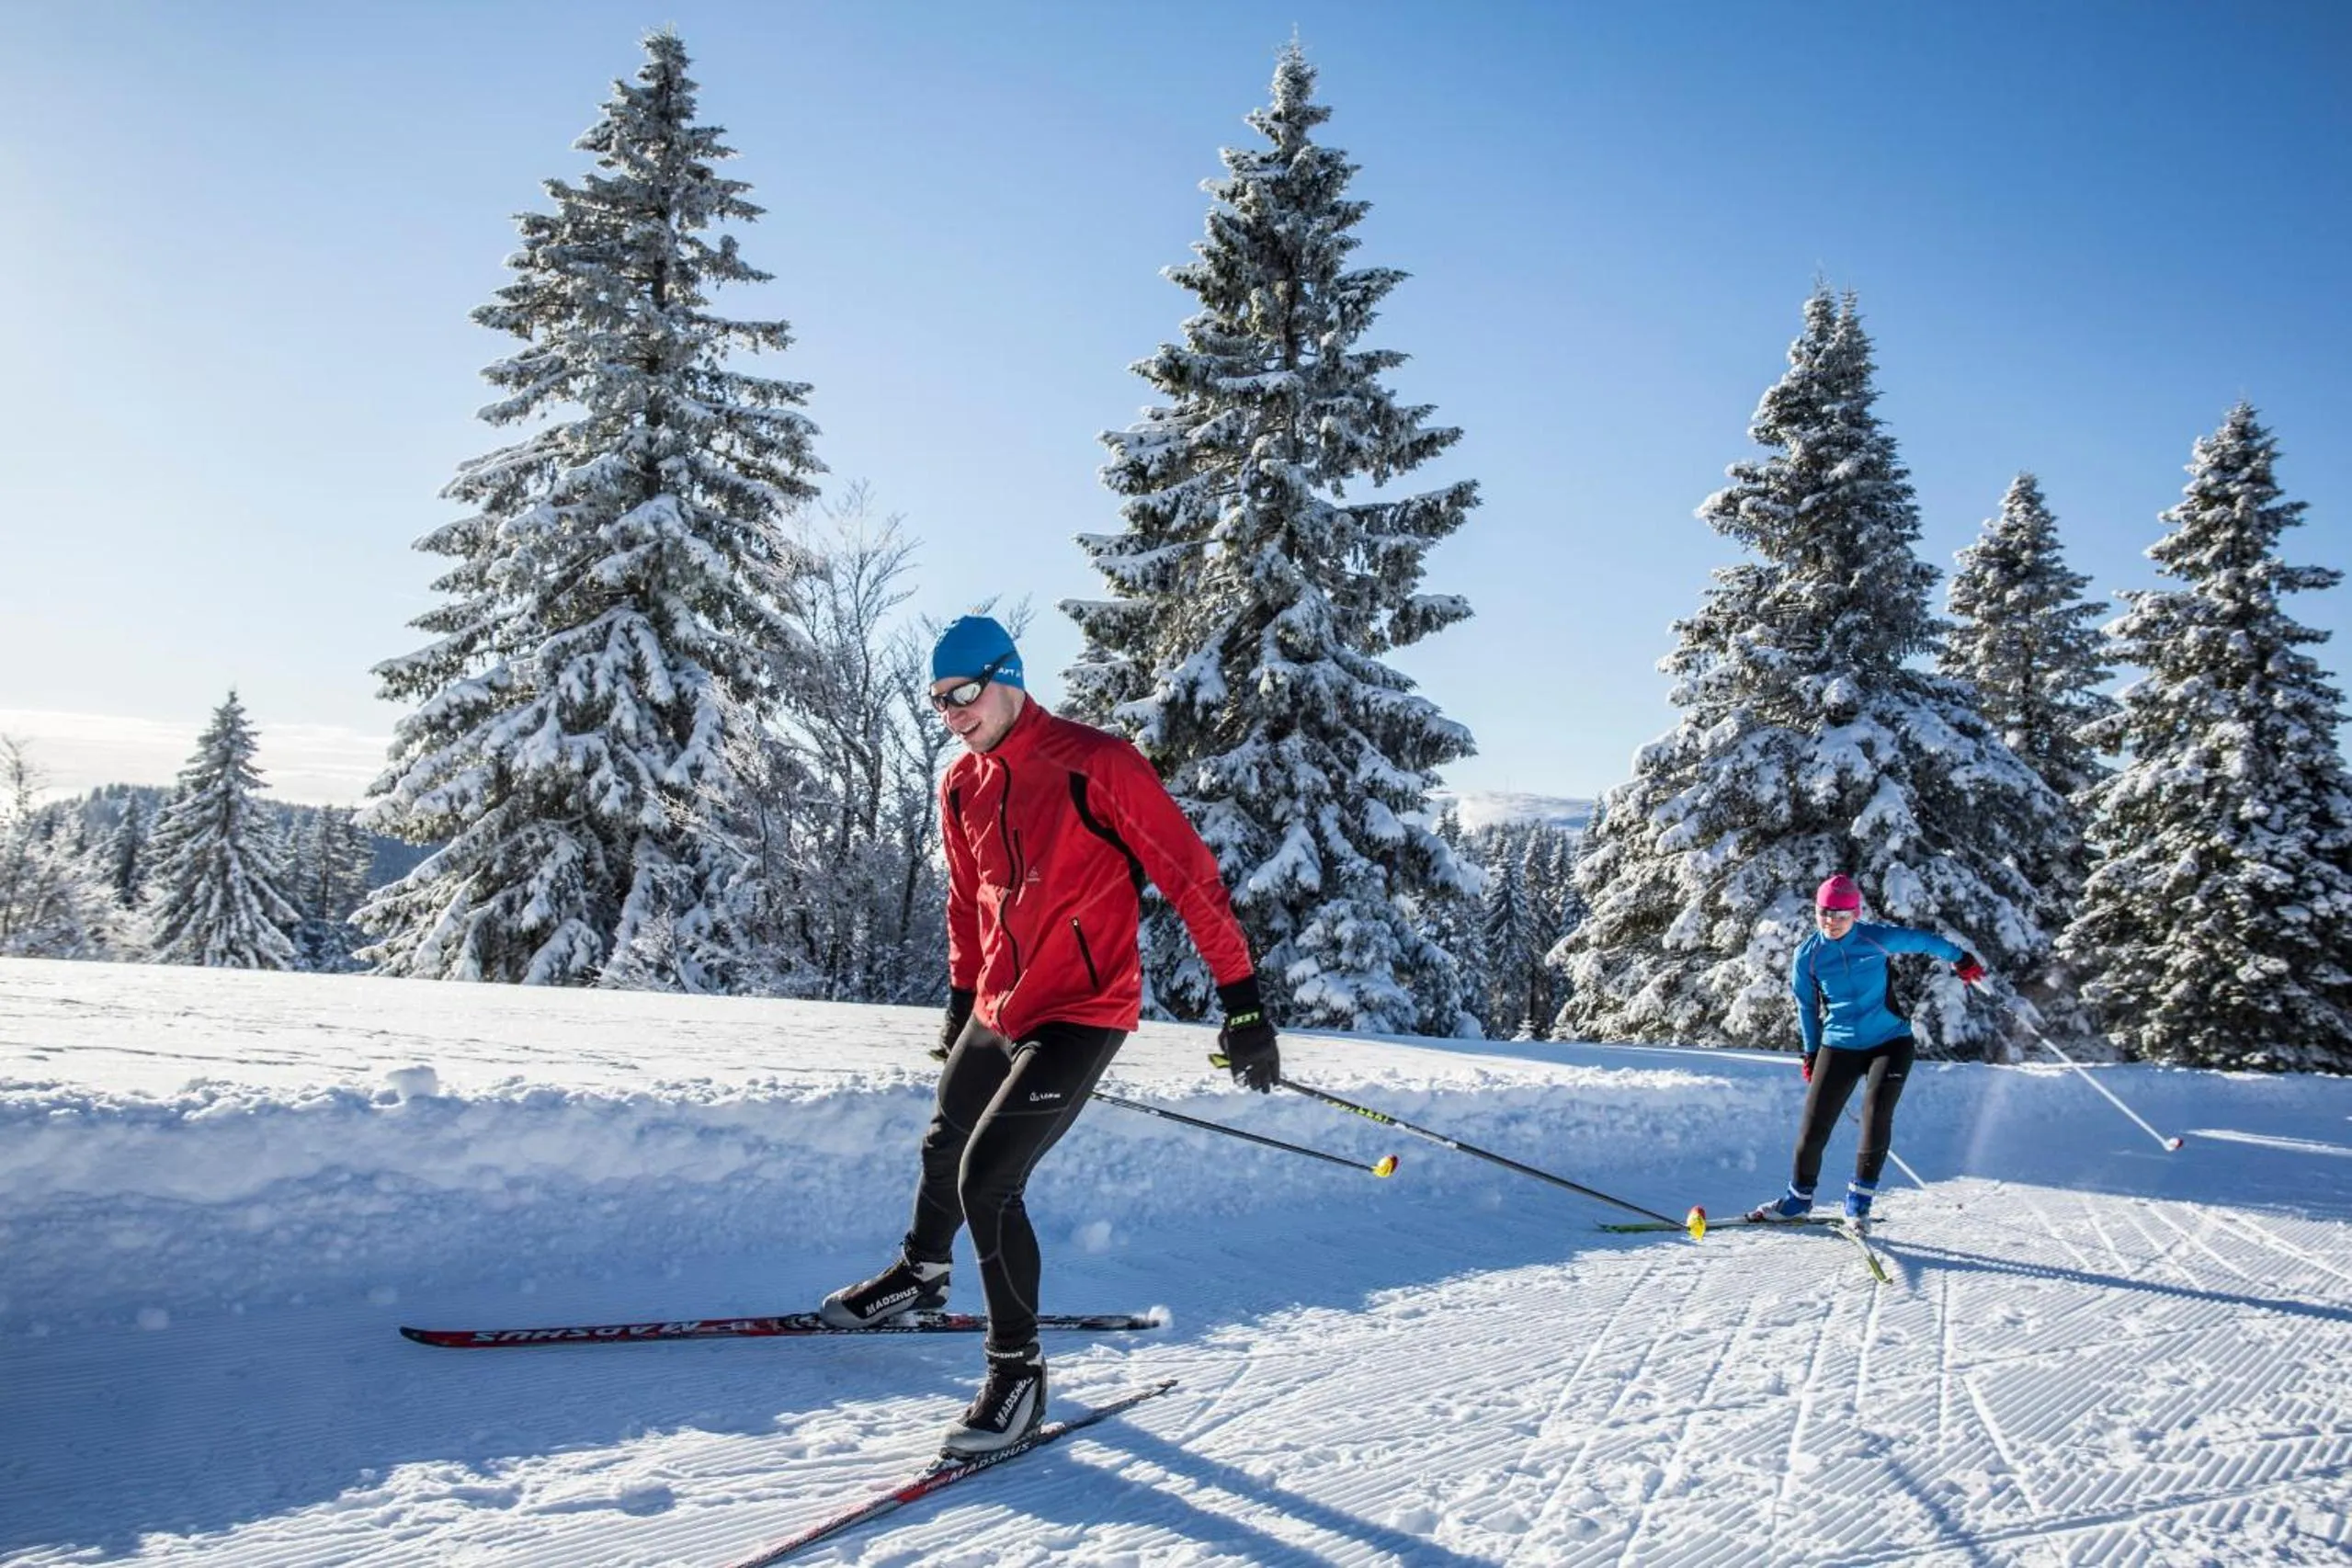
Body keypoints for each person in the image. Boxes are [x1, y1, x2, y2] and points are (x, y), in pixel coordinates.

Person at [819, 614, 1278, 1458]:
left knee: (987, 1180)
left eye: (962, 694)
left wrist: (1242, 1003)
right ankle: (921, 1274)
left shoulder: (1094, 763)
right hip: (1002, 1005)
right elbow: (968, 900)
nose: (951, 713)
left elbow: (1190, 877)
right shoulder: (961, 784)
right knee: (941, 1141)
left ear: (1007, 677)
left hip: (1083, 1009)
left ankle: (1017, 1374)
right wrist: (964, 998)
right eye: (937, 702)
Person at [1746, 874, 1985, 1231]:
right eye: (1825, 913)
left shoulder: (1876, 938)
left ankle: (1858, 1202)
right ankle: (1797, 1200)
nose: (1832, 921)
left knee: (1876, 1114)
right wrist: (1811, 1054)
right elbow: (1806, 1007)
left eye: (1841, 915)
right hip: (1838, 1045)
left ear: (1855, 915)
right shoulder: (1808, 956)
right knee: (1813, 1128)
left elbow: (1922, 941)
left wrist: (1961, 958)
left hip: (1890, 1042)